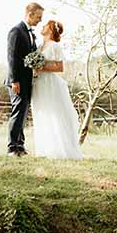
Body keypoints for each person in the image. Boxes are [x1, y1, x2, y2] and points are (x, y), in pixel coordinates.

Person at [31, 20, 83, 160]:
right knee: (41, 112)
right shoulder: (41, 46)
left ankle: (59, 149)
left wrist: (41, 67)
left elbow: (60, 67)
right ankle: (44, 149)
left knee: (54, 113)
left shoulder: (55, 46)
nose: (42, 26)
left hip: (50, 83)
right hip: (38, 83)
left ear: (51, 30)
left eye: (45, 25)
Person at [4, 2, 43, 156]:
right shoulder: (16, 31)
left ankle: (20, 146)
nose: (40, 20)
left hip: (26, 80)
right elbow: (12, 57)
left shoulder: (29, 33)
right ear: (30, 14)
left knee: (23, 113)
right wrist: (14, 81)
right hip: (17, 81)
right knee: (17, 112)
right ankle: (12, 147)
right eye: (38, 17)